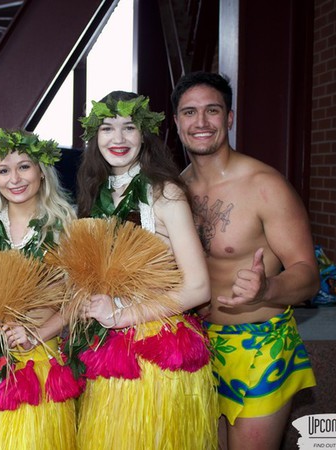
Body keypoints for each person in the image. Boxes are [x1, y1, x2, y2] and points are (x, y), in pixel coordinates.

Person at [173, 71, 319, 450]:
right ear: (176, 121)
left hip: (260, 346)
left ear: (229, 118)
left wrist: (267, 288)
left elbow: (308, 274)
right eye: (189, 112)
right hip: (199, 347)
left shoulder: (264, 185)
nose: (201, 122)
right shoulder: (174, 190)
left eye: (212, 110)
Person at [75, 91, 218, 449]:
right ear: (95, 137)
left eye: (129, 127)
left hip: (156, 351)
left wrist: (122, 315)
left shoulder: (165, 194)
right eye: (107, 128)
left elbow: (199, 288)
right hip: (109, 350)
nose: (118, 138)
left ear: (144, 135)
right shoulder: (97, 195)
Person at [0, 128, 78, 450]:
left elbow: (79, 297)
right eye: (3, 170)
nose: (15, 179)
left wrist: (38, 334)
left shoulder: (65, 227)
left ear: (41, 170)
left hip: (40, 358)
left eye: (24, 166)